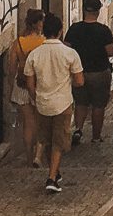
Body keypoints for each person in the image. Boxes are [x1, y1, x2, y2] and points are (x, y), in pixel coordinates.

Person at [24, 12, 84, 194]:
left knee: (47, 139)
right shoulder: (69, 53)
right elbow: (80, 81)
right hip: (63, 103)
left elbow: (29, 84)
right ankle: (51, 178)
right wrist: (67, 83)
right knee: (58, 141)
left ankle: (55, 172)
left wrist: (38, 97)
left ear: (44, 32)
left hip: (42, 104)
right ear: (60, 31)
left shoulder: (34, 54)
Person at [65, 0, 113, 145]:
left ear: (84, 10)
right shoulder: (103, 30)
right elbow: (112, 51)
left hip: (79, 72)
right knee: (98, 105)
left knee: (81, 103)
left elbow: (66, 48)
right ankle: (95, 136)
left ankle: (78, 130)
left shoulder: (74, 29)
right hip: (99, 72)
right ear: (98, 12)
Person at [6, 8, 45, 167]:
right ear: (37, 24)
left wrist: (11, 86)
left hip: (21, 86)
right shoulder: (43, 42)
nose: (43, 24)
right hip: (38, 85)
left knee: (28, 123)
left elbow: (11, 68)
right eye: (41, 21)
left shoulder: (18, 42)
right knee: (40, 122)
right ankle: (38, 156)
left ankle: (29, 158)